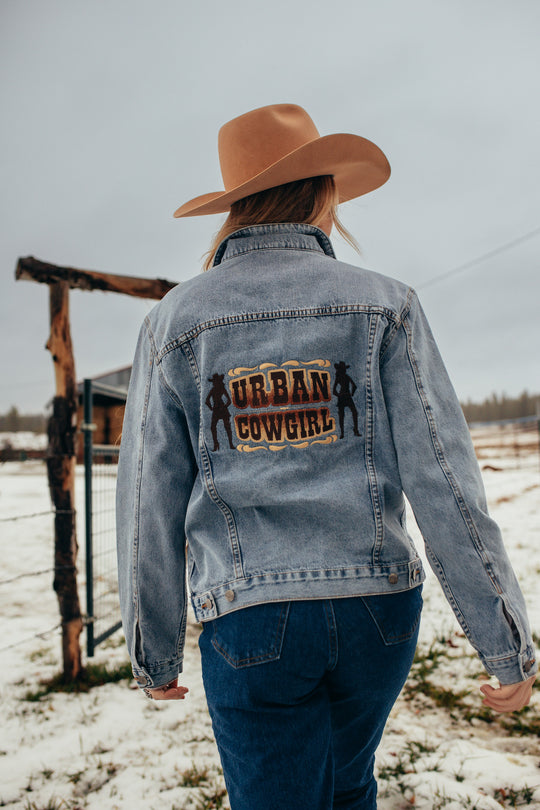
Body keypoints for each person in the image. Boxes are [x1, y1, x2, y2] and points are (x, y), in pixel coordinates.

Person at [116, 103, 536, 810]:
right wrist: (503, 641)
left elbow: (146, 499)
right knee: (346, 785)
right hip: (379, 614)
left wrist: (151, 648)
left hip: (251, 621)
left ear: (234, 205)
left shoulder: (175, 323)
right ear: (323, 192)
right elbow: (445, 479)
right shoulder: (386, 306)